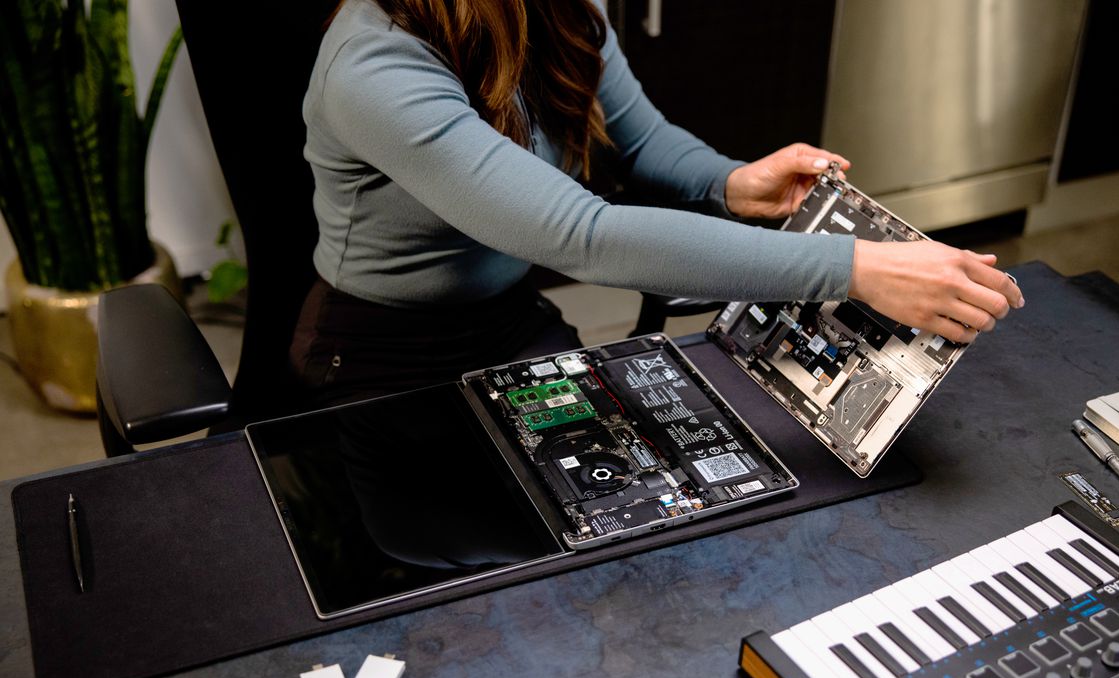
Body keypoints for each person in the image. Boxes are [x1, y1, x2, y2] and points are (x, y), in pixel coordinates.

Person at [290, 0, 1024, 407]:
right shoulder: (376, 60)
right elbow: (584, 236)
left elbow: (642, 143)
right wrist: (853, 266)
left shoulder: (558, 11)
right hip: (378, 357)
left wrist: (731, 182)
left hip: (507, 320)